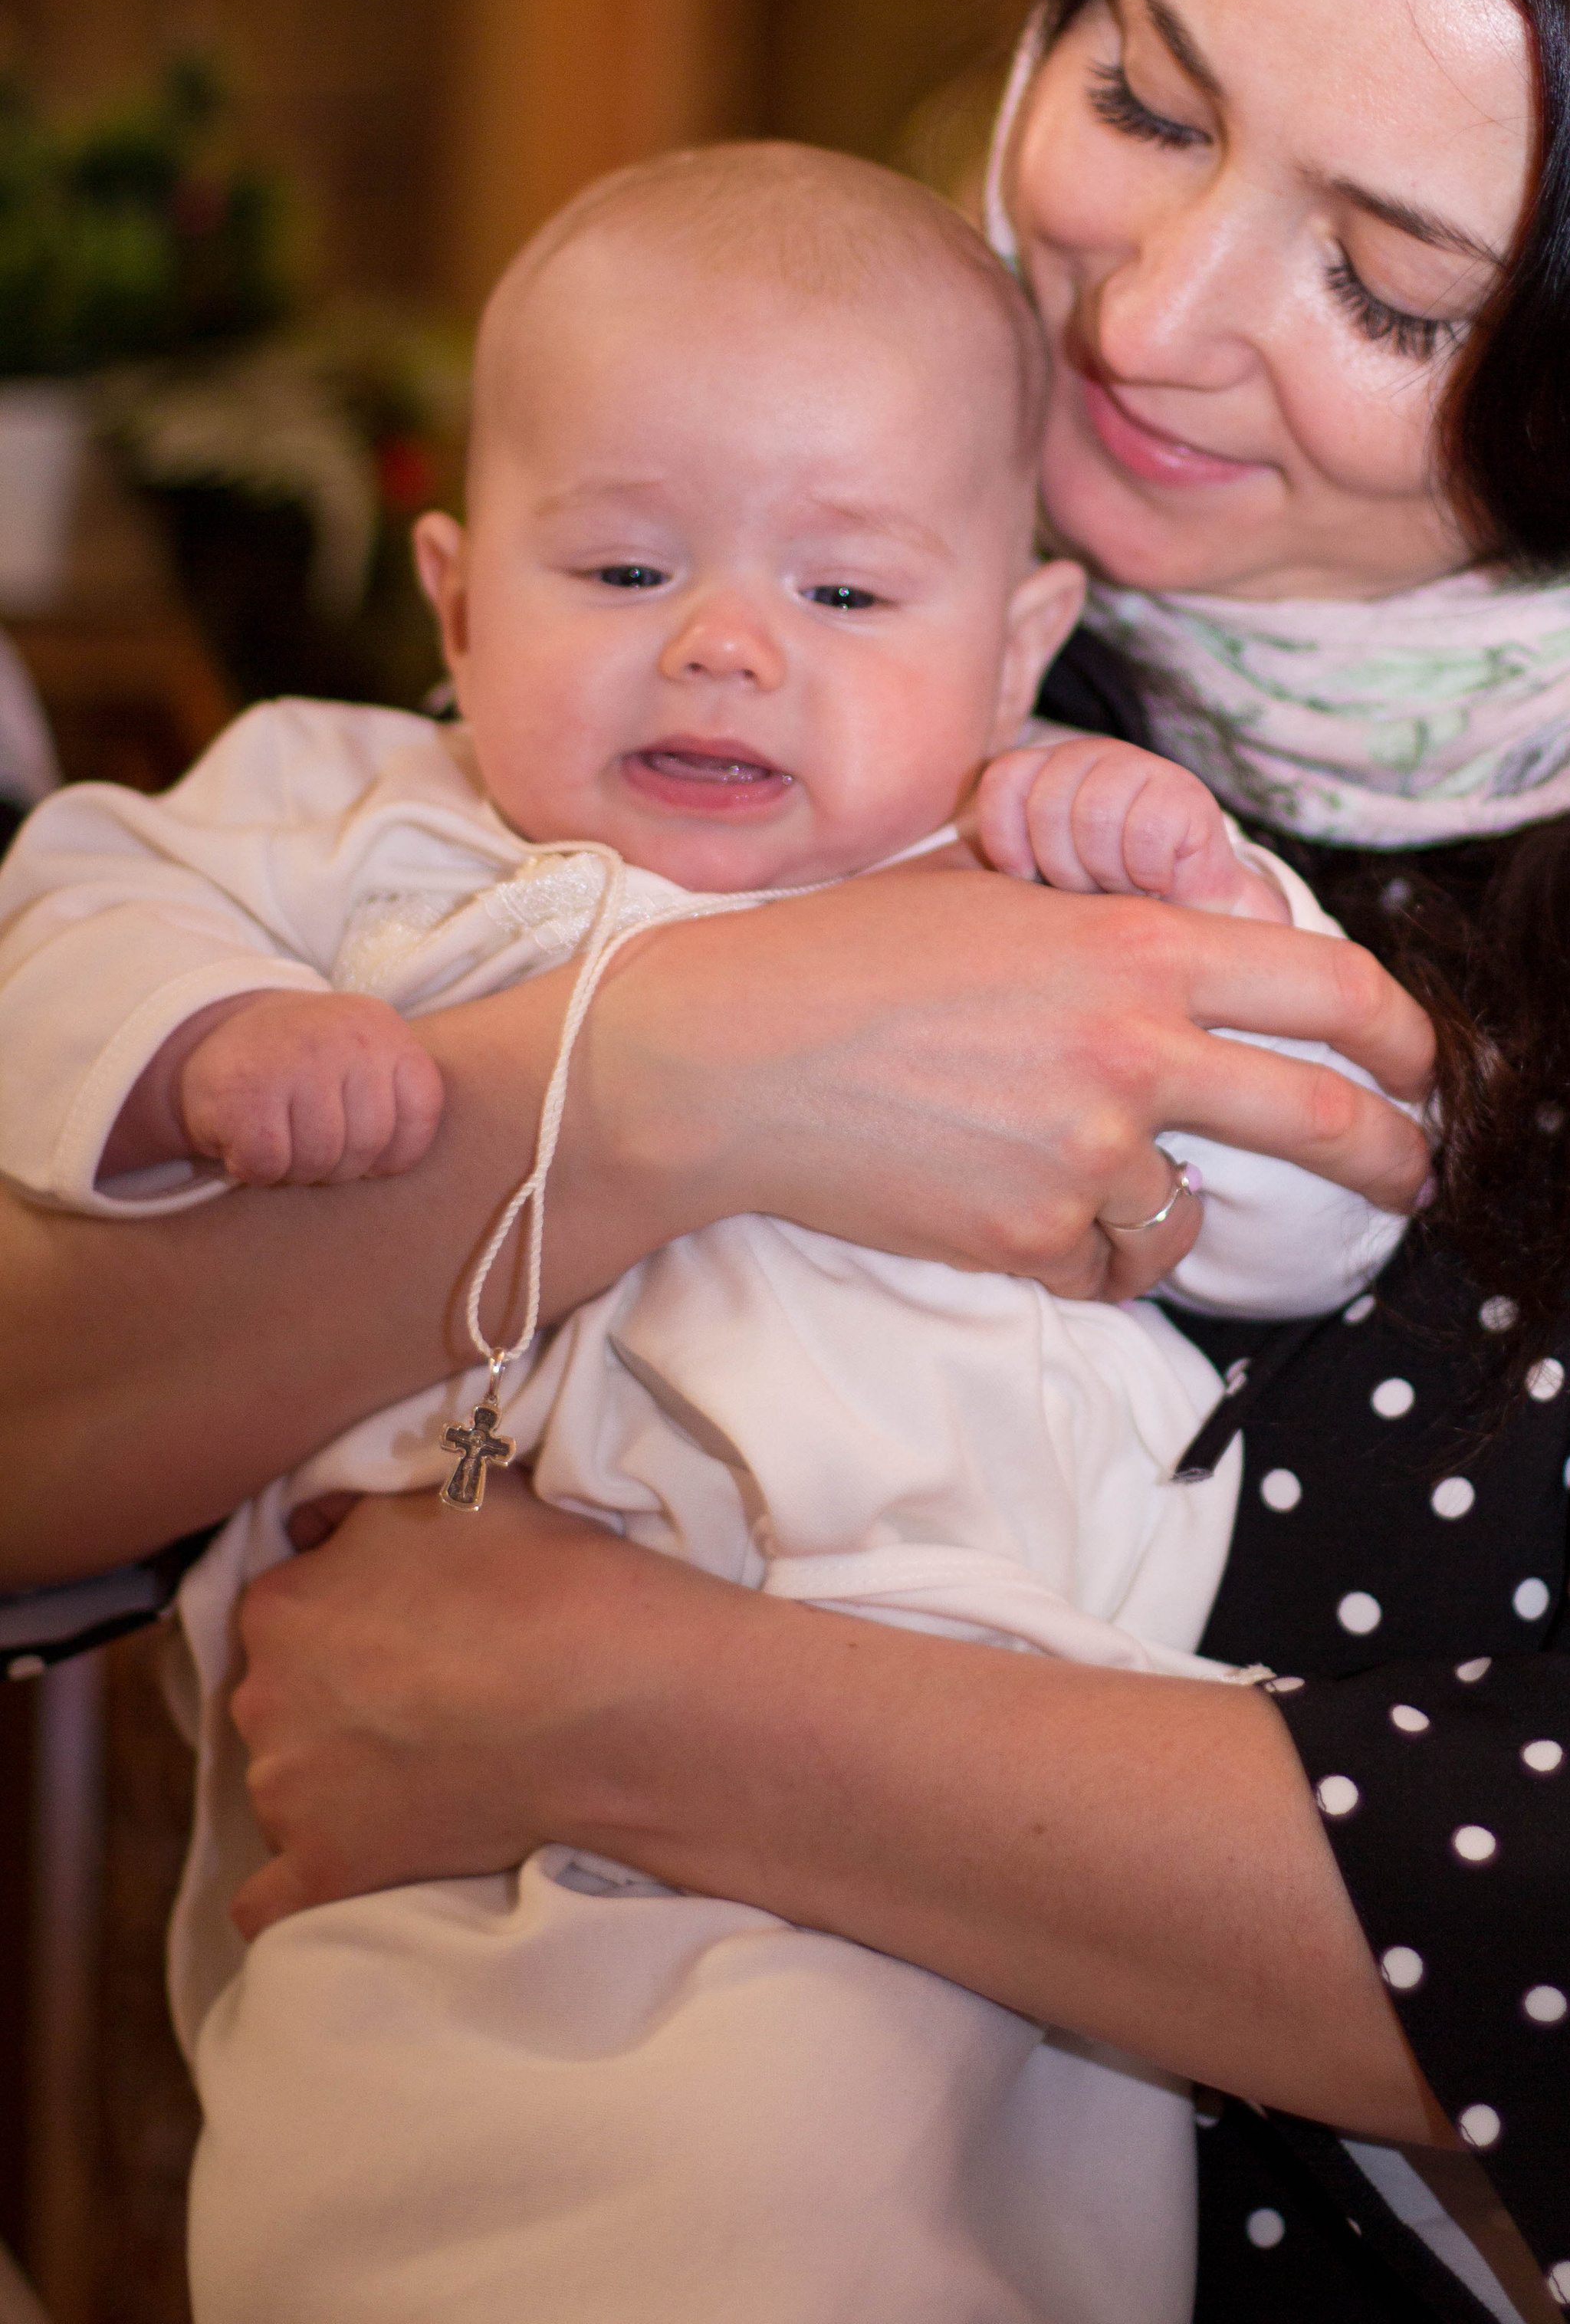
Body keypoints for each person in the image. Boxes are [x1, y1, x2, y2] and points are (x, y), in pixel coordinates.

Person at [6, 0, 1570, 2319]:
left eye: (1390, 289)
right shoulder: (805, 558)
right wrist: (691, 1075)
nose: (1149, 323)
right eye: (1146, 101)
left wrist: (623, 1717)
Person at [0, 144, 1409, 2323]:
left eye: (848, 597)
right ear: (460, 601)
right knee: (378, 2217)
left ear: (1019, 640)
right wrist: (204, 1043)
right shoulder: (352, 808)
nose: (729, 647)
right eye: (629, 565)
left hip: (928, 1800)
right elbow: (71, 892)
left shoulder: (1060, 883)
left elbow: (1329, 1196)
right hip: (412, 1810)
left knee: (833, 2210)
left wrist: (1196, 887)